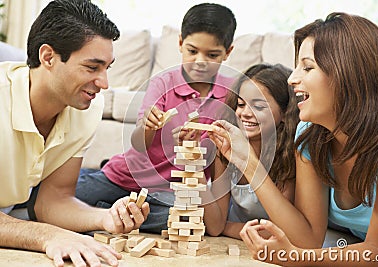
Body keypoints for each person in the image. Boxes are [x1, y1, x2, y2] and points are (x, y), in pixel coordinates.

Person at [209, 12, 378, 265]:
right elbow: (307, 238)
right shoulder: (310, 136)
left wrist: (294, 258)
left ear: (348, 75)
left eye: (308, 67)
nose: (292, 79)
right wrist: (247, 161)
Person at [0, 1, 150, 266]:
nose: (104, 83)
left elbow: (53, 199)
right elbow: (44, 225)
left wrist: (105, 219)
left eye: (107, 68)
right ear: (48, 57)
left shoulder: (87, 108)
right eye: (92, 68)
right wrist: (46, 235)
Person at [75, 3, 237, 233]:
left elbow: (225, 156)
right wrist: (148, 127)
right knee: (64, 196)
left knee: (185, 222)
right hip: (125, 177)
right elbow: (138, 143)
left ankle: (108, 211)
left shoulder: (229, 95)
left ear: (228, 52)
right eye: (192, 51)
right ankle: (109, 206)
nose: (200, 61)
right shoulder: (163, 83)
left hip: (172, 194)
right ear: (180, 43)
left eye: (212, 55)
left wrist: (191, 148)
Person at [203, 63, 299, 239]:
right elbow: (215, 227)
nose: (245, 113)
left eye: (259, 107)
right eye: (240, 104)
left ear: (285, 113)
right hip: (242, 238)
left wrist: (229, 228)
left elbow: (282, 232)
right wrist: (194, 168)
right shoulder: (225, 150)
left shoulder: (290, 157)